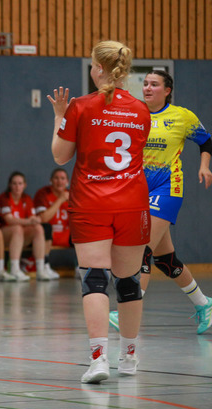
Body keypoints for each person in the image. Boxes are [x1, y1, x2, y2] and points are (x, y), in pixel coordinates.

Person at [48, 40, 151, 383]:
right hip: (132, 203)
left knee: (94, 278)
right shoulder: (141, 110)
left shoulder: (80, 106)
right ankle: (129, 357)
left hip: (91, 203)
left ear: (98, 69)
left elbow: (60, 156)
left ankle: (99, 360)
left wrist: (60, 116)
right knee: (129, 282)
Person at [109, 70, 212, 335]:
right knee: (166, 260)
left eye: (154, 84)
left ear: (167, 91)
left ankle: (129, 307)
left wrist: (204, 166)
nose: (147, 88)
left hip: (168, 188)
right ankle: (204, 304)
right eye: (145, 83)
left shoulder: (182, 116)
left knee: (141, 248)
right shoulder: (135, 114)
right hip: (139, 190)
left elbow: (206, 141)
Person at [0, 171, 51, 281]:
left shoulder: (27, 199)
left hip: (20, 236)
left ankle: (40, 270)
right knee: (17, 229)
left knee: (38, 228)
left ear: (24, 185)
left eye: (20, 183)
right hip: (4, 235)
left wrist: (36, 220)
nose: (17, 187)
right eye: (14, 183)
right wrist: (29, 221)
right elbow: (9, 220)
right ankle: (14, 269)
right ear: (10, 185)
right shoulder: (5, 198)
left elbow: (32, 219)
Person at [34, 168, 72, 279]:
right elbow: (43, 218)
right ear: (50, 180)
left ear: (67, 182)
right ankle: (45, 265)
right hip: (47, 234)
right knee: (46, 227)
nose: (59, 181)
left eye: (62, 178)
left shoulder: (72, 195)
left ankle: (80, 266)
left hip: (65, 234)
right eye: (56, 178)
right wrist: (60, 200)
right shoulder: (43, 193)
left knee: (82, 230)